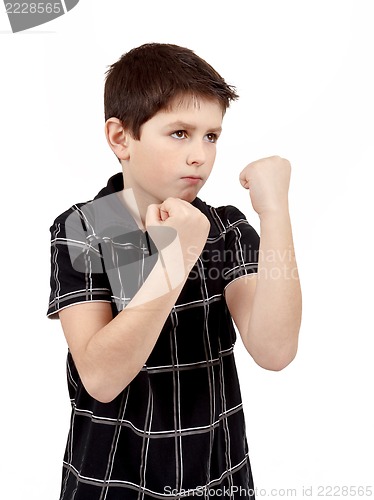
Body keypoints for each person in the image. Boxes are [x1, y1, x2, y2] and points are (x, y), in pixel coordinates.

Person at [47, 43, 302, 500]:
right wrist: (178, 255)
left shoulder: (225, 228)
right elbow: (102, 378)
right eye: (180, 133)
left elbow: (275, 349)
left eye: (211, 136)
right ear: (121, 138)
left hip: (217, 478)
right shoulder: (85, 228)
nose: (200, 155)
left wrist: (274, 211)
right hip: (110, 481)